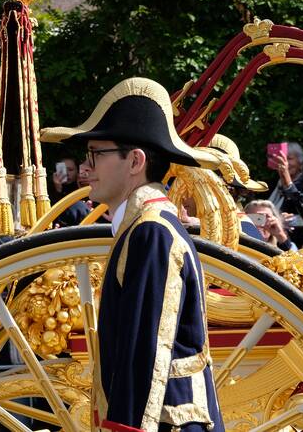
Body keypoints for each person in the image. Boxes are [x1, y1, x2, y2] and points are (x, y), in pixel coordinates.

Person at [41, 77, 224, 432]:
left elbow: (145, 355)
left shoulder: (151, 231)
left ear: (135, 161)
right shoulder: (145, 227)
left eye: (96, 154)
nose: (85, 168)